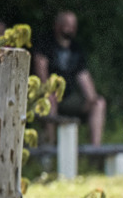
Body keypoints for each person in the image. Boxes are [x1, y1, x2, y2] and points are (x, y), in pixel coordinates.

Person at [33, 10, 107, 146]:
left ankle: (95, 152)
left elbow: (83, 77)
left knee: (99, 103)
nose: (69, 27)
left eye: (72, 24)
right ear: (56, 25)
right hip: (46, 97)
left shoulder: (76, 49)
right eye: (66, 24)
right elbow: (41, 69)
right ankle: (49, 149)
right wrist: (47, 92)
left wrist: (92, 99)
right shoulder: (45, 43)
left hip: (68, 98)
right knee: (50, 100)